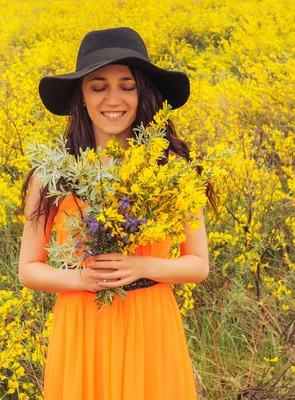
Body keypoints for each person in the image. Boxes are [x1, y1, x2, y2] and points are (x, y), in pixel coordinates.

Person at [18, 27, 215, 400]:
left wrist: (140, 267)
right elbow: (28, 268)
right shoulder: (52, 175)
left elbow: (198, 264)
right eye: (98, 86)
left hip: (150, 325)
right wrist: (82, 280)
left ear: (144, 93)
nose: (114, 99)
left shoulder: (171, 169)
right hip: (81, 327)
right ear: (82, 96)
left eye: (127, 85)